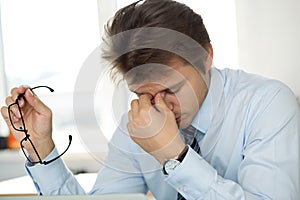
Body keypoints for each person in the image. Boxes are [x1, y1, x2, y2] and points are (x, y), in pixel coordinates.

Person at [1, 0, 299, 199]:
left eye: (171, 90)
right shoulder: (139, 121)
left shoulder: (267, 104)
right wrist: (41, 149)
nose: (160, 108)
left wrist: (175, 155)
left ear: (206, 56)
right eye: (142, 94)